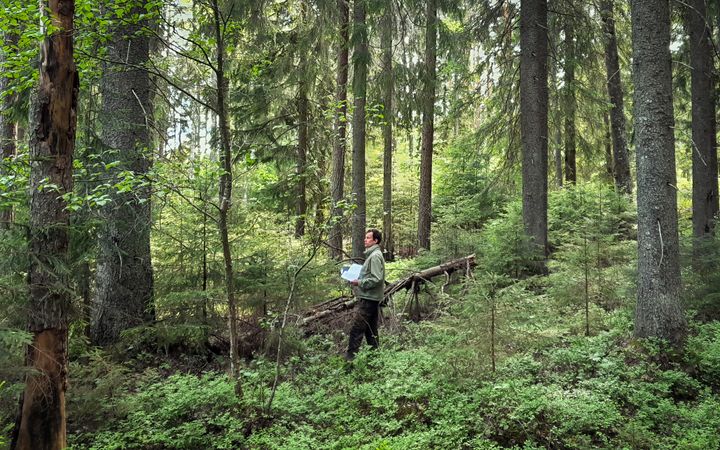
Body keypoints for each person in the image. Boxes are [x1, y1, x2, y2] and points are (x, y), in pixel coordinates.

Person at [345, 228, 386, 361]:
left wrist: (360, 282)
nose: (365, 240)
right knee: (370, 330)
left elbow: (377, 278)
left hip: (369, 298)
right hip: (372, 297)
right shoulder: (373, 255)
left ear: (375, 241)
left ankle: (349, 362)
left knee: (356, 330)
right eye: (365, 237)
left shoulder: (374, 256)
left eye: (368, 238)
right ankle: (375, 359)